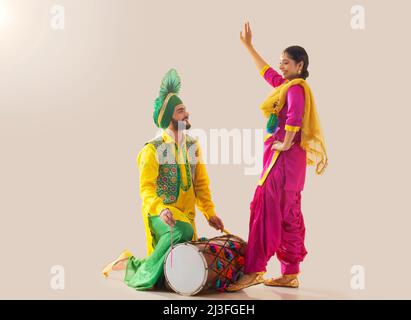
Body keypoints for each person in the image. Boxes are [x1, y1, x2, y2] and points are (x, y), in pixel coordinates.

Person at [102, 69, 224, 290]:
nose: (186, 114)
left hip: (186, 217)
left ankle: (129, 262)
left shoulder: (192, 146)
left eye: (185, 109)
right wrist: (160, 209)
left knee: (173, 271)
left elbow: (200, 185)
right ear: (169, 118)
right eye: (180, 111)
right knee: (182, 232)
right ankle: (137, 271)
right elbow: (146, 189)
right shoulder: (152, 149)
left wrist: (209, 212)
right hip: (161, 214)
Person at [227, 22, 328, 291]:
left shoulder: (295, 89)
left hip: (281, 161)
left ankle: (255, 269)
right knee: (288, 212)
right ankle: (290, 273)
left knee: (264, 207)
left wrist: (284, 141)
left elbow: (295, 115)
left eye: (286, 62)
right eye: (281, 62)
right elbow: (266, 73)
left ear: (300, 64)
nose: (281, 66)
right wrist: (249, 47)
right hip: (292, 166)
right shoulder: (286, 85)